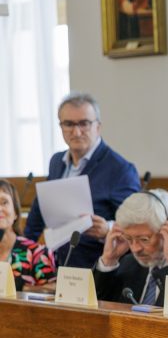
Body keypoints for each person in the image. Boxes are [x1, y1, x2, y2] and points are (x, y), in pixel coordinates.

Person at [24, 92, 140, 268]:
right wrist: (22, 254)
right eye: (68, 124)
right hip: (57, 264)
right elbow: (39, 211)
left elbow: (137, 224)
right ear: (60, 126)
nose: (76, 132)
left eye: (84, 123)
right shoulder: (56, 162)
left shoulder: (120, 169)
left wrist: (107, 229)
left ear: (98, 127)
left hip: (97, 269)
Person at [0, 179, 55, 289]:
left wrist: (21, 287)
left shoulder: (38, 253)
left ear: (15, 212)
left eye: (4, 202)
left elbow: (53, 292)